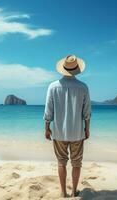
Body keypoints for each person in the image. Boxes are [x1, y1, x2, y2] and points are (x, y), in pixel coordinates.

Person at [43, 54, 91, 198]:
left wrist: (46, 127)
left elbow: (48, 110)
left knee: (61, 162)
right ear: (77, 69)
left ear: (62, 69)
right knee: (77, 163)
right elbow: (87, 111)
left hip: (59, 132)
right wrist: (87, 128)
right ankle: (73, 192)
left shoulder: (53, 86)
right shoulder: (83, 87)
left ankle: (63, 192)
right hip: (77, 133)